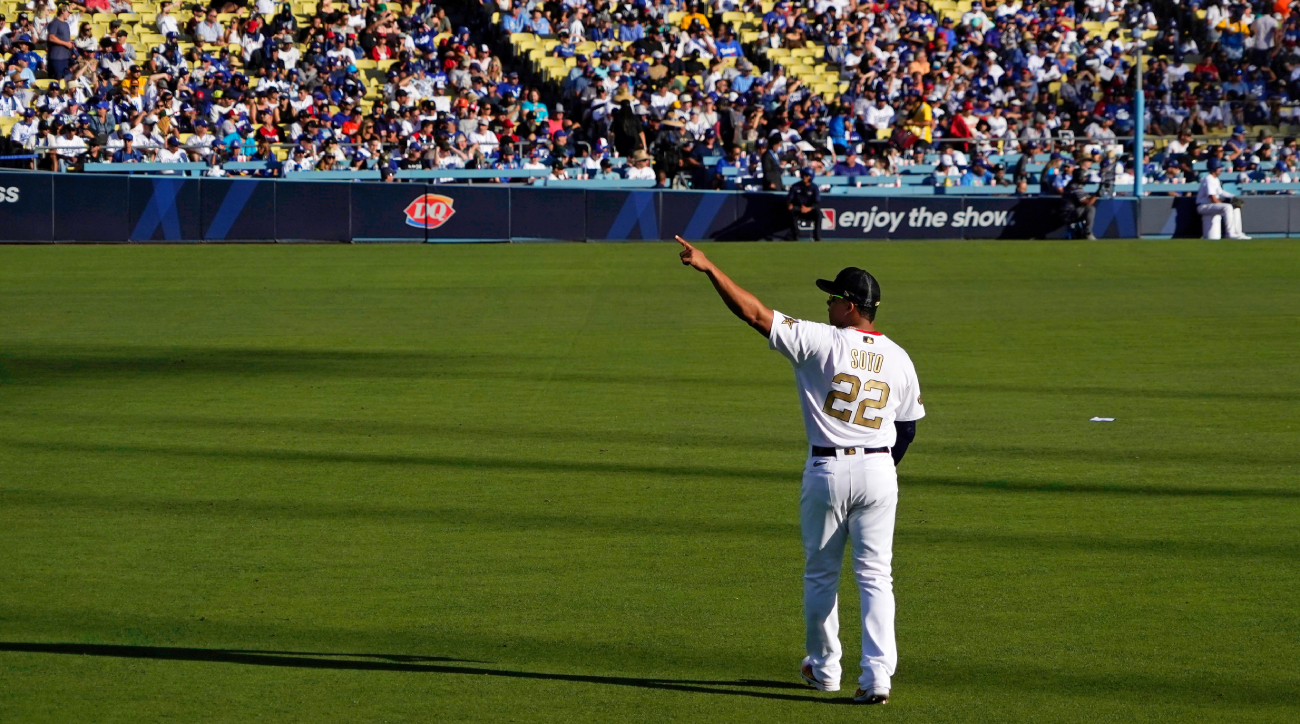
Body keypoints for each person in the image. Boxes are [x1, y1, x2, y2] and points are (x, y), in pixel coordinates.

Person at [673, 239, 923, 705]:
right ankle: (877, 677)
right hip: (880, 471)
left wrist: (709, 268)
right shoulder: (900, 357)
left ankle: (826, 669)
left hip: (828, 470)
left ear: (850, 307)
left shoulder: (821, 340)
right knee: (876, 577)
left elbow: (754, 314)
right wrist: (882, 469)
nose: (826, 303)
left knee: (821, 574)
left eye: (832, 298)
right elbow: (907, 426)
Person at [1197, 158, 1250, 239]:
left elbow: (1220, 192)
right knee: (1228, 207)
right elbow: (1212, 198)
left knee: (1235, 208)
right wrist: (1223, 204)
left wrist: (1233, 196)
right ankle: (1230, 233)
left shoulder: (1215, 179)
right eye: (1219, 168)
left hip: (1210, 205)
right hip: (1203, 206)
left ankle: (1238, 233)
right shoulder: (1208, 178)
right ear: (1214, 168)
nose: (1220, 169)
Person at [1061, 168, 1098, 239]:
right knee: (1090, 209)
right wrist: (1096, 195)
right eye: (1084, 177)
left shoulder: (1071, 184)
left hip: (1068, 211)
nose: (1086, 179)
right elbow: (1087, 203)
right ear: (1080, 178)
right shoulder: (1075, 187)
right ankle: (1088, 233)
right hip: (1069, 213)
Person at [788, 167, 822, 241]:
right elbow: (789, 199)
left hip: (810, 210)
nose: (804, 177)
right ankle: (795, 236)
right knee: (791, 212)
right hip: (798, 208)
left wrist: (808, 208)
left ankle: (816, 236)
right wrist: (789, 204)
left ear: (810, 177)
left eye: (806, 175)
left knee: (818, 213)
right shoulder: (795, 186)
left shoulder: (814, 188)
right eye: (803, 175)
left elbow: (817, 202)